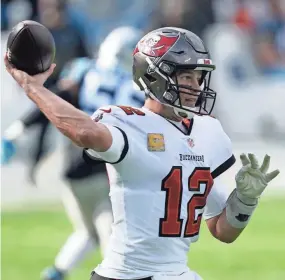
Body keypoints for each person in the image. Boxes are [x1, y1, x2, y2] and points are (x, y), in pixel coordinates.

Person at [4, 27, 280, 280]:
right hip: (125, 275)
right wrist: (33, 88)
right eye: (186, 76)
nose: (196, 87)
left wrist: (245, 201)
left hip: (177, 273)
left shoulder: (209, 132)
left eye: (199, 77)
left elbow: (222, 231)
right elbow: (85, 132)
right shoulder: (128, 121)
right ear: (153, 76)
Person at [2, 26, 144, 280]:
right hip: (106, 173)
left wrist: (16, 130)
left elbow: (57, 100)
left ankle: (55, 273)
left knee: (87, 232)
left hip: (71, 169)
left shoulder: (85, 71)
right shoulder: (138, 86)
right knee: (114, 239)